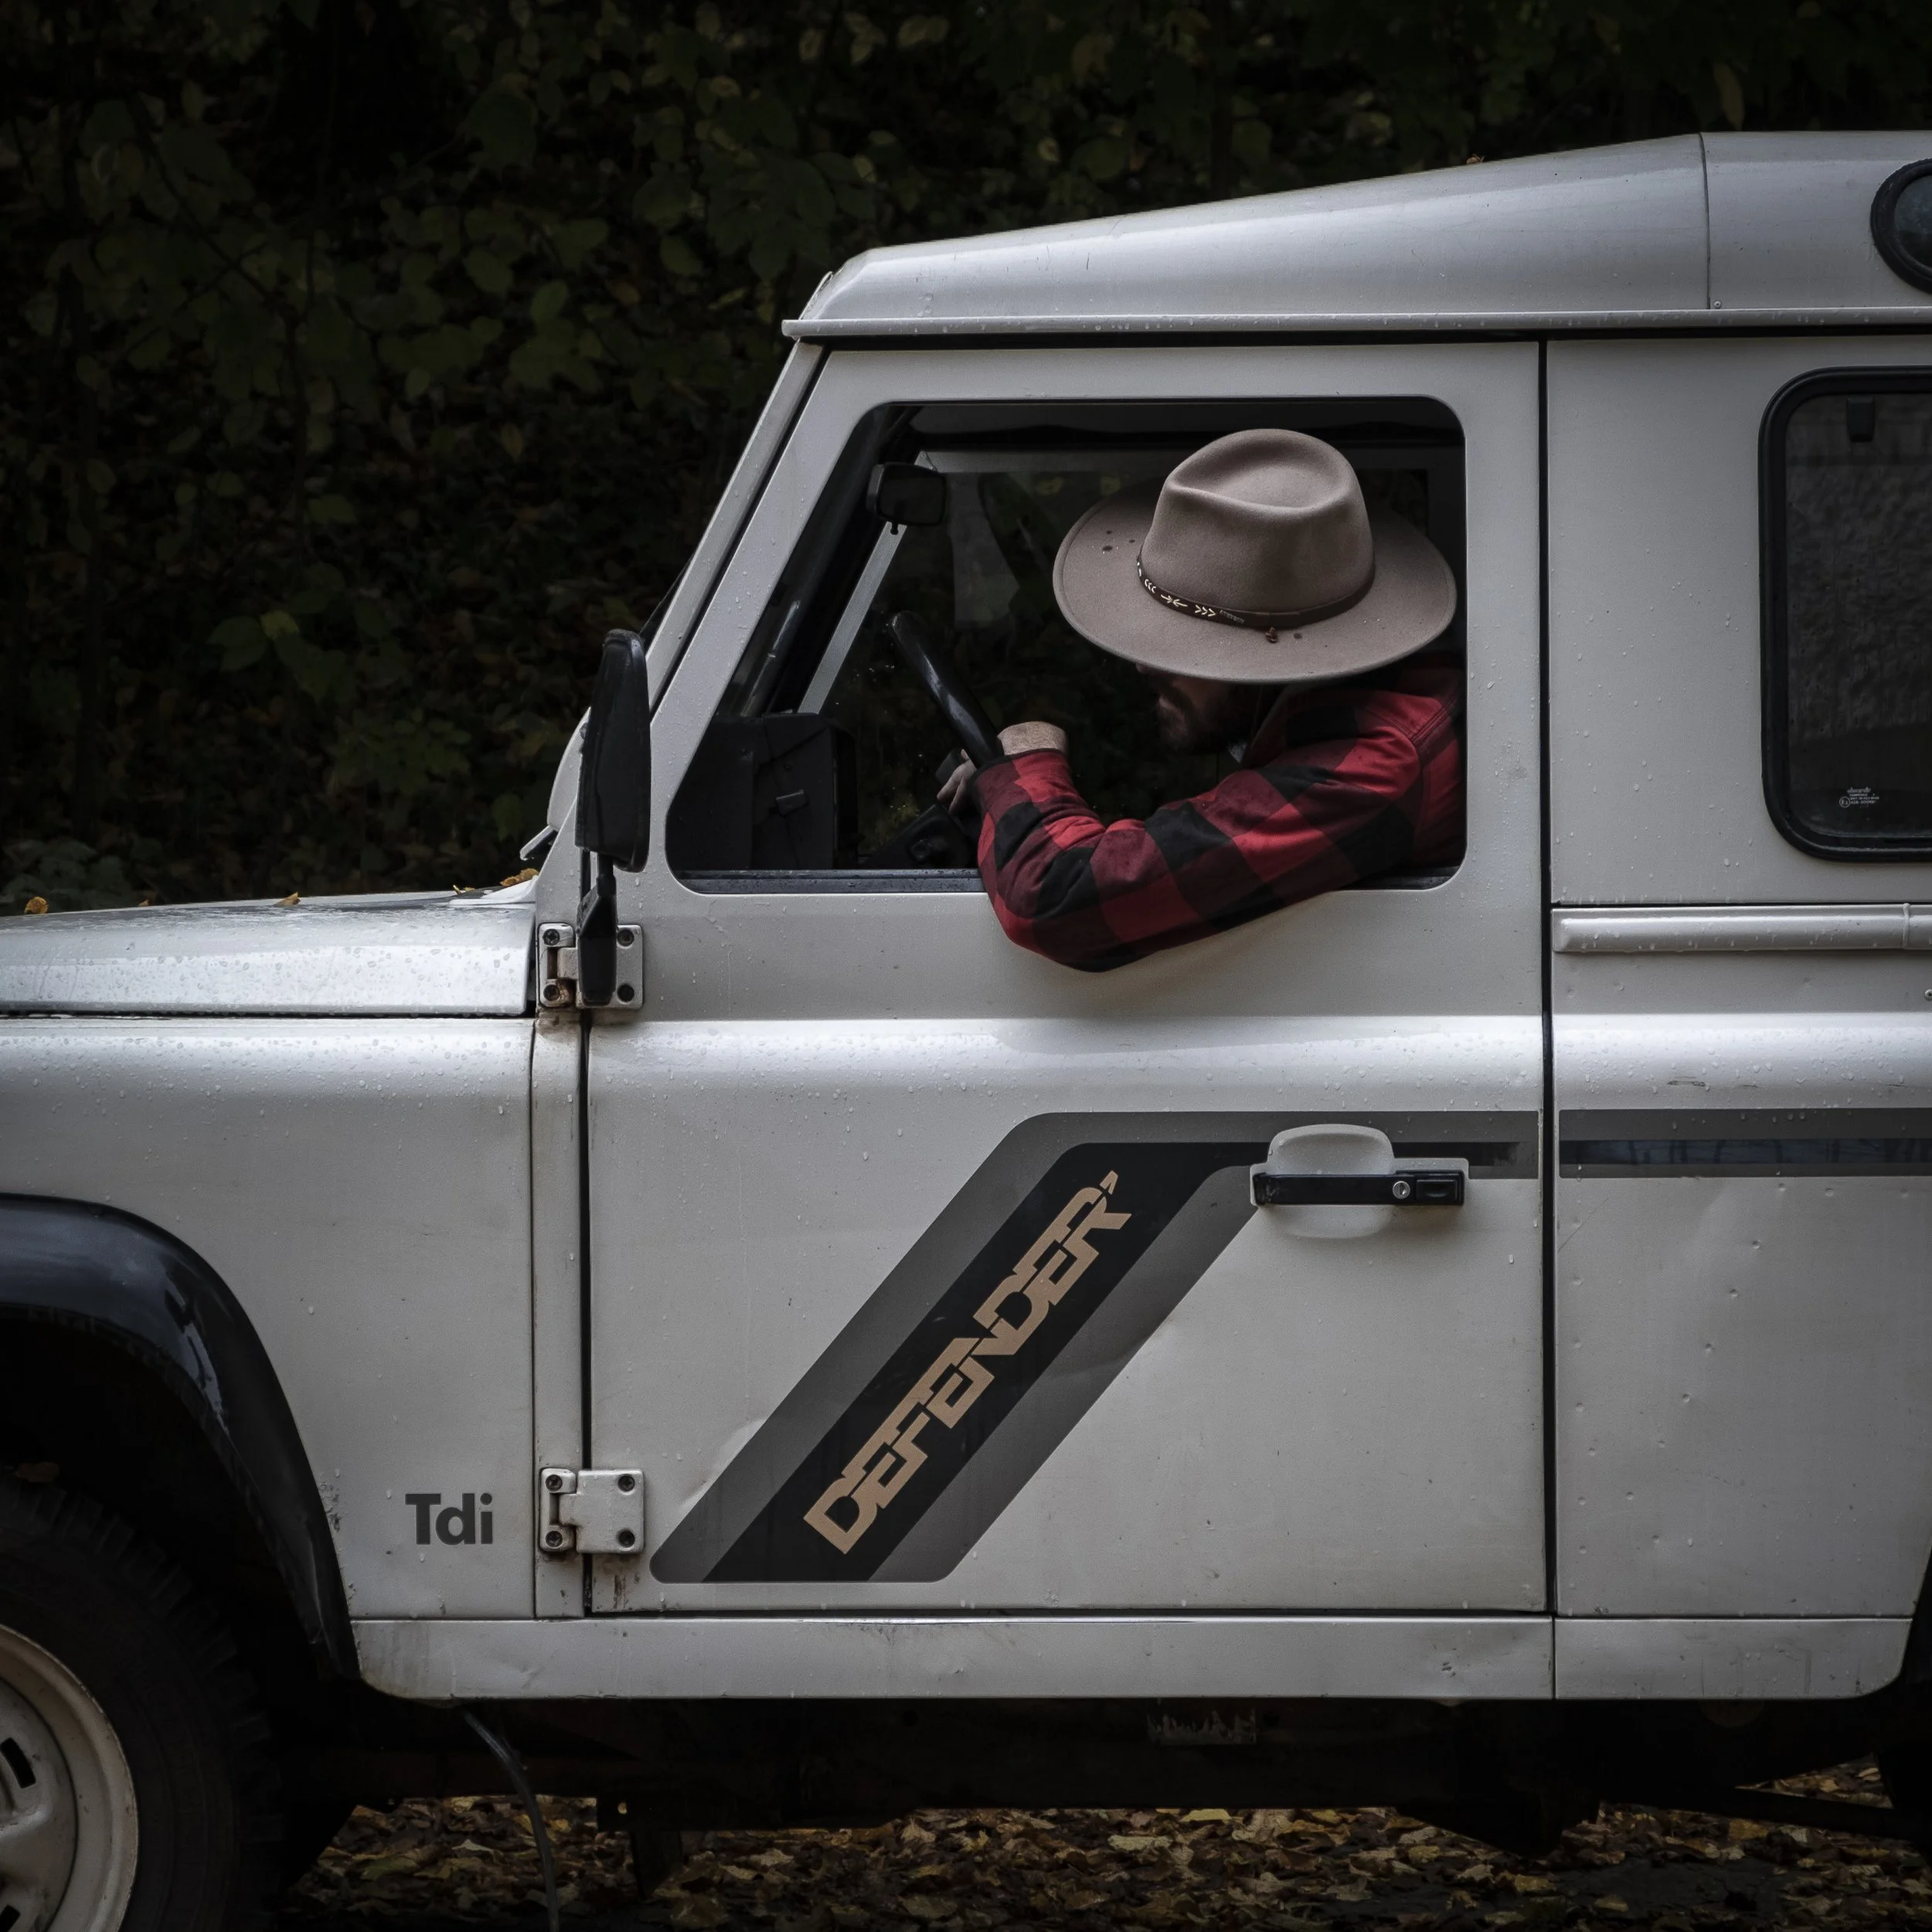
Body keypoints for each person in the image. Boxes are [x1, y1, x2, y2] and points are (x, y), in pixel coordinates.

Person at [937, 428, 1464, 971]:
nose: (1142, 664)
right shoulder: (1342, 706)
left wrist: (1028, 755)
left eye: (1184, 645)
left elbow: (1056, 900)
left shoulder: (1377, 763)